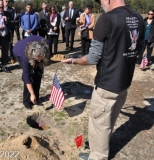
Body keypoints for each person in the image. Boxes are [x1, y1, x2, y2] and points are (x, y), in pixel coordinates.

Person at [62, 0, 145, 159]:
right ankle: (99, 147)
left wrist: (73, 61)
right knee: (109, 121)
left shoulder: (106, 19)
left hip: (106, 83)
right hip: (124, 82)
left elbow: (93, 57)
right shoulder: (137, 17)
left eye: (100, 2)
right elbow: (139, 50)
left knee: (99, 123)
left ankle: (98, 156)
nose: (100, 5)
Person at [13, 35, 50, 109]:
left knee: (38, 73)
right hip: (19, 51)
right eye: (37, 59)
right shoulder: (25, 57)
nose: (39, 61)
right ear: (33, 56)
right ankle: (27, 101)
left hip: (38, 49)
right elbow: (27, 77)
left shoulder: (47, 45)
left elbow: (42, 59)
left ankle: (35, 98)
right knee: (29, 76)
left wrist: (40, 66)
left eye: (41, 59)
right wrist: (31, 93)